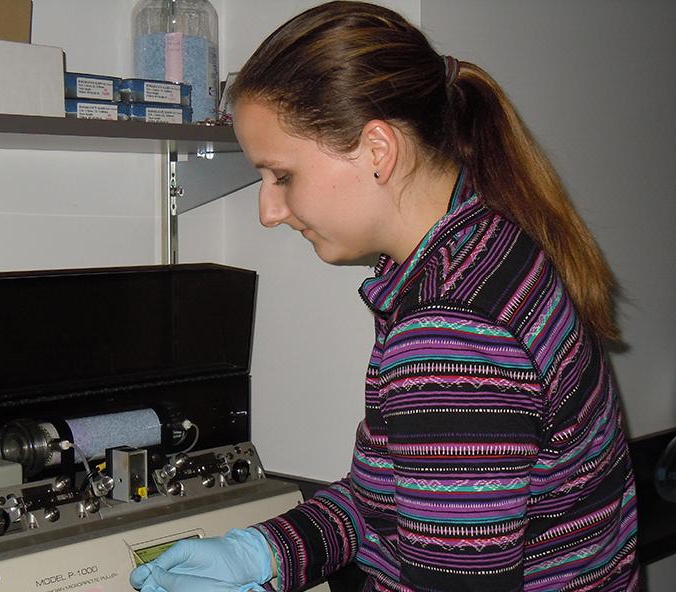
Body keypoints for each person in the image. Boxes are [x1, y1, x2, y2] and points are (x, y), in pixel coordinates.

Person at [130, 2, 639, 590]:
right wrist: (268, 552)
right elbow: (393, 500)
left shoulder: (451, 329)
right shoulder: (485, 248)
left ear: (378, 150)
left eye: (282, 175)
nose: (268, 211)